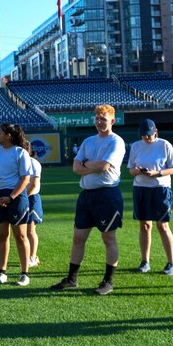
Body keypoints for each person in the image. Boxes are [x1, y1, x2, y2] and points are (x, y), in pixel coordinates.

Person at [51, 104, 124, 295]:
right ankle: (72, 279)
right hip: (86, 195)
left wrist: (86, 164)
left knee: (108, 238)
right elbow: (76, 168)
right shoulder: (88, 141)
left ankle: (108, 281)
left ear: (112, 121)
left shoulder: (116, 141)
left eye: (104, 119)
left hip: (107, 195)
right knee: (78, 238)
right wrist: (91, 165)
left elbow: (105, 166)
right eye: (97, 118)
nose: (99, 122)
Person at [128, 119, 173, 275]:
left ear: (155, 131)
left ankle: (172, 263)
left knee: (162, 226)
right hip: (141, 188)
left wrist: (157, 173)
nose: (146, 138)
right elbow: (130, 169)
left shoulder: (164, 145)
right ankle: (145, 262)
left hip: (160, 188)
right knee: (144, 226)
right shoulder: (136, 146)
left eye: (149, 135)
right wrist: (136, 171)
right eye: (144, 135)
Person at [0, 123, 32, 286]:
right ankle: (2, 272)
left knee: (21, 236)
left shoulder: (21, 153)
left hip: (16, 197)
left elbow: (25, 178)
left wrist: (10, 197)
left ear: (9, 136)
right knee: (1, 236)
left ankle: (25, 273)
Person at [22, 140, 42, 269]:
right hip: (21, 197)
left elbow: (33, 184)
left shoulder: (34, 163)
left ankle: (33, 257)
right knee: (22, 230)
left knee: (30, 229)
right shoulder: (19, 162)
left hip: (31, 198)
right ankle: (28, 255)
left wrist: (22, 196)